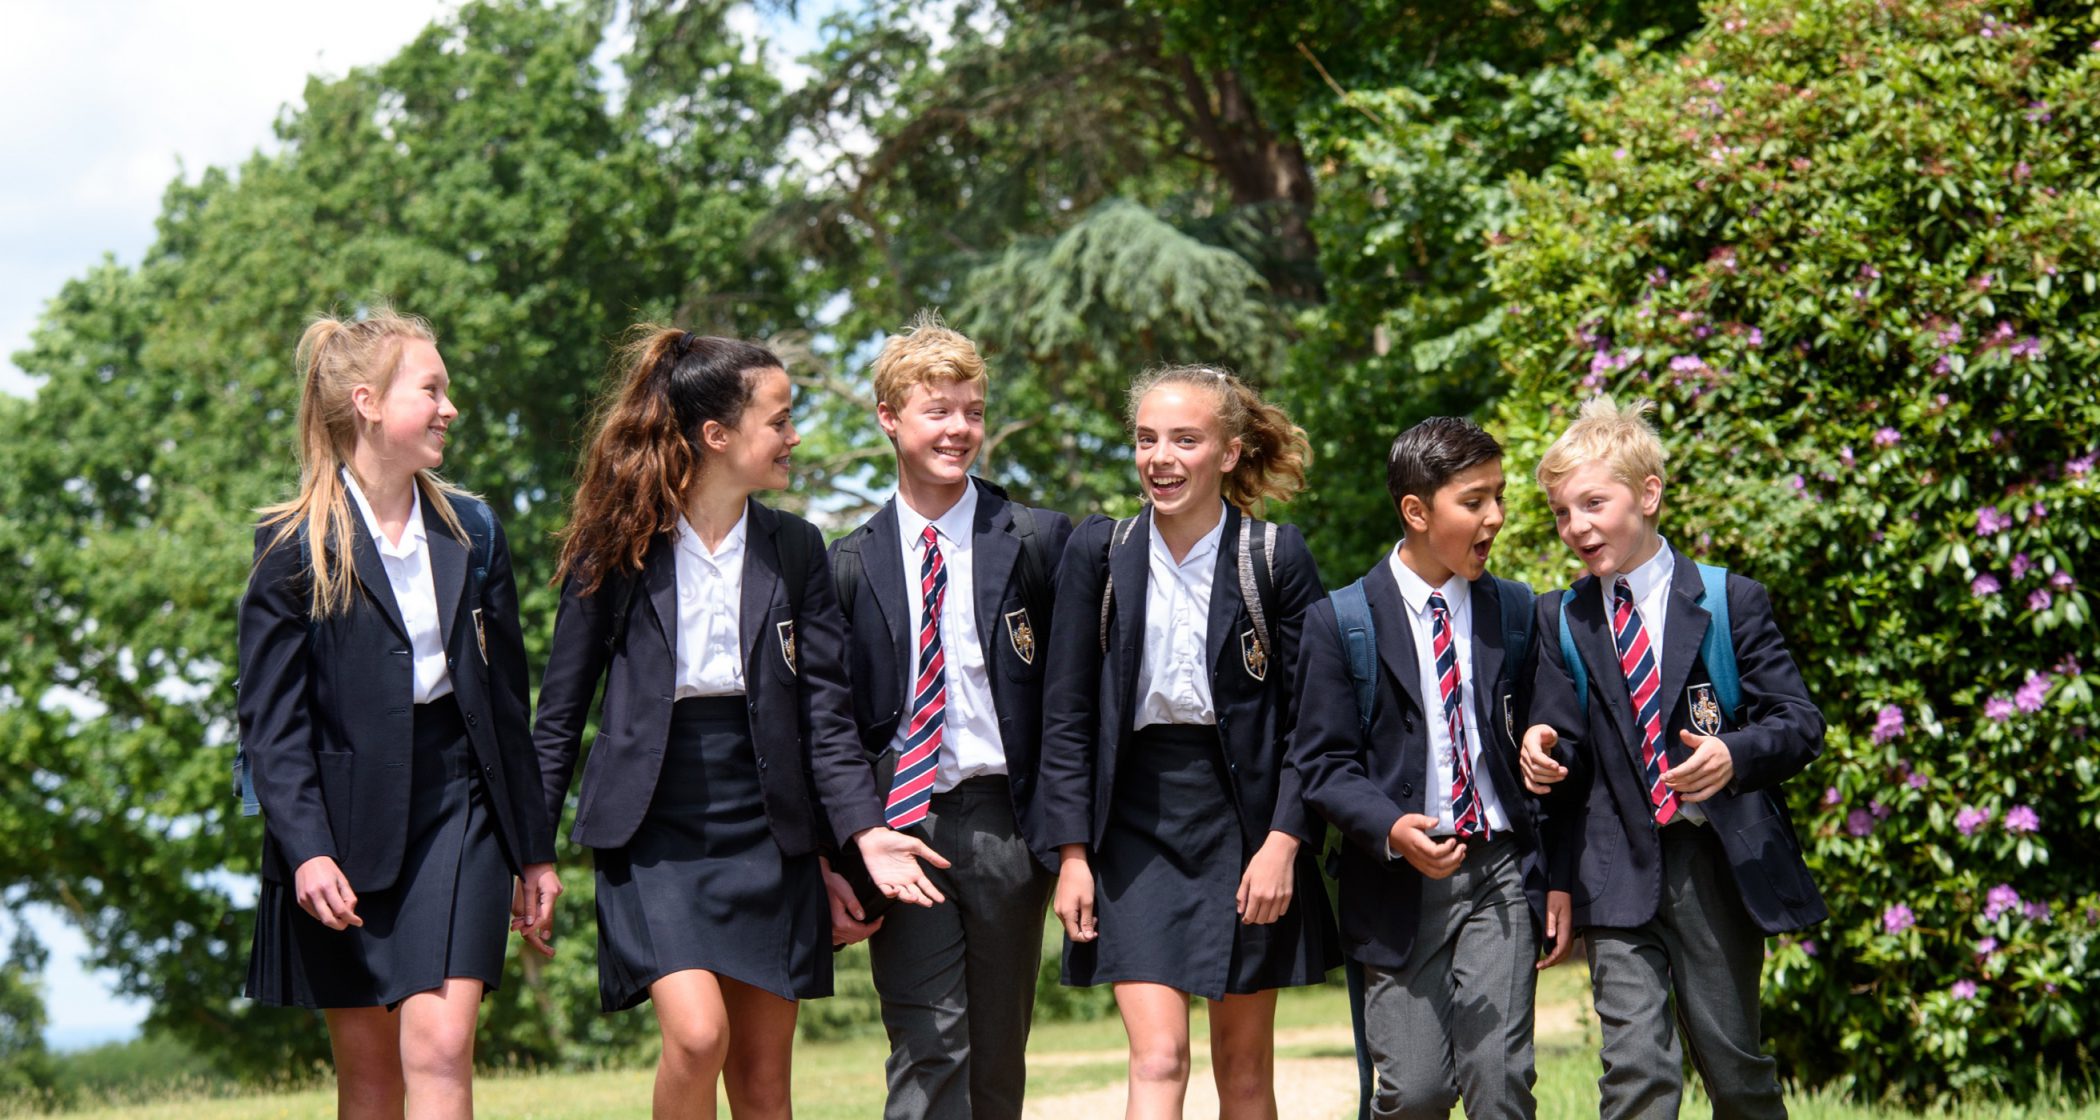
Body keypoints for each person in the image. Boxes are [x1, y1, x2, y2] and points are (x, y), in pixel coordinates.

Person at [531, 329, 947, 1120]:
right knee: (695, 1037)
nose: (796, 438)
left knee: (763, 1086)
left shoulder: (797, 549)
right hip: (653, 828)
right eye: (780, 421)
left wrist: (856, 839)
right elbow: (559, 717)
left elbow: (826, 717)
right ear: (717, 436)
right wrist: (531, 853)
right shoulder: (614, 546)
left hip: (770, 832)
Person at [237, 309, 561, 1120]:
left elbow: (507, 704)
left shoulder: (475, 530)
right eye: (433, 389)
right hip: (340, 827)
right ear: (368, 402)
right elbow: (273, 727)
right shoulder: (290, 545)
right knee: (371, 1075)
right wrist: (306, 851)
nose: (451, 408)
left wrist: (534, 851)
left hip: (461, 804)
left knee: (441, 1049)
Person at [1040, 364, 1339, 1119]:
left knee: (1242, 1073)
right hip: (1133, 826)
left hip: (1246, 825)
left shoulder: (1275, 557)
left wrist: (1284, 842)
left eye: (1184, 439)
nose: (1160, 457)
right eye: (1146, 440)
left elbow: (1315, 722)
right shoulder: (1098, 553)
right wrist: (1071, 854)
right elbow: (1067, 714)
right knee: (1159, 1057)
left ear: (1230, 454)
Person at [1518, 396, 1827, 1119]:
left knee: (1734, 1068)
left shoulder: (1728, 601)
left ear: (1649, 494)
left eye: (1594, 503)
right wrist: (1542, 746)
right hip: (1613, 867)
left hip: (1712, 865)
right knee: (1636, 1072)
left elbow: (1800, 723)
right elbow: (1565, 738)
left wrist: (1733, 752)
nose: (1578, 527)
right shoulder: (1559, 617)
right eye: (1564, 513)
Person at [825, 312, 1074, 1120]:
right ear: (890, 419)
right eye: (939, 411)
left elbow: (1069, 706)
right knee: (929, 1046)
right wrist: (843, 846)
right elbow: (828, 723)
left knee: (997, 1059)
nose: (960, 429)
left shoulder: (1037, 540)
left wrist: (1070, 842)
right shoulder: (847, 564)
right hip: (904, 829)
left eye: (972, 410)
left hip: (1009, 825)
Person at [1290, 417, 1565, 1119]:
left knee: (1500, 1081)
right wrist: (1391, 827)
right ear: (1415, 511)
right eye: (1474, 502)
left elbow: (1552, 711)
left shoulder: (1514, 608)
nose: (1496, 518)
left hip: (1499, 867)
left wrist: (1543, 735)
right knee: (1413, 1091)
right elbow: (1322, 764)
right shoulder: (1340, 622)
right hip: (1394, 884)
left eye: (1499, 497)